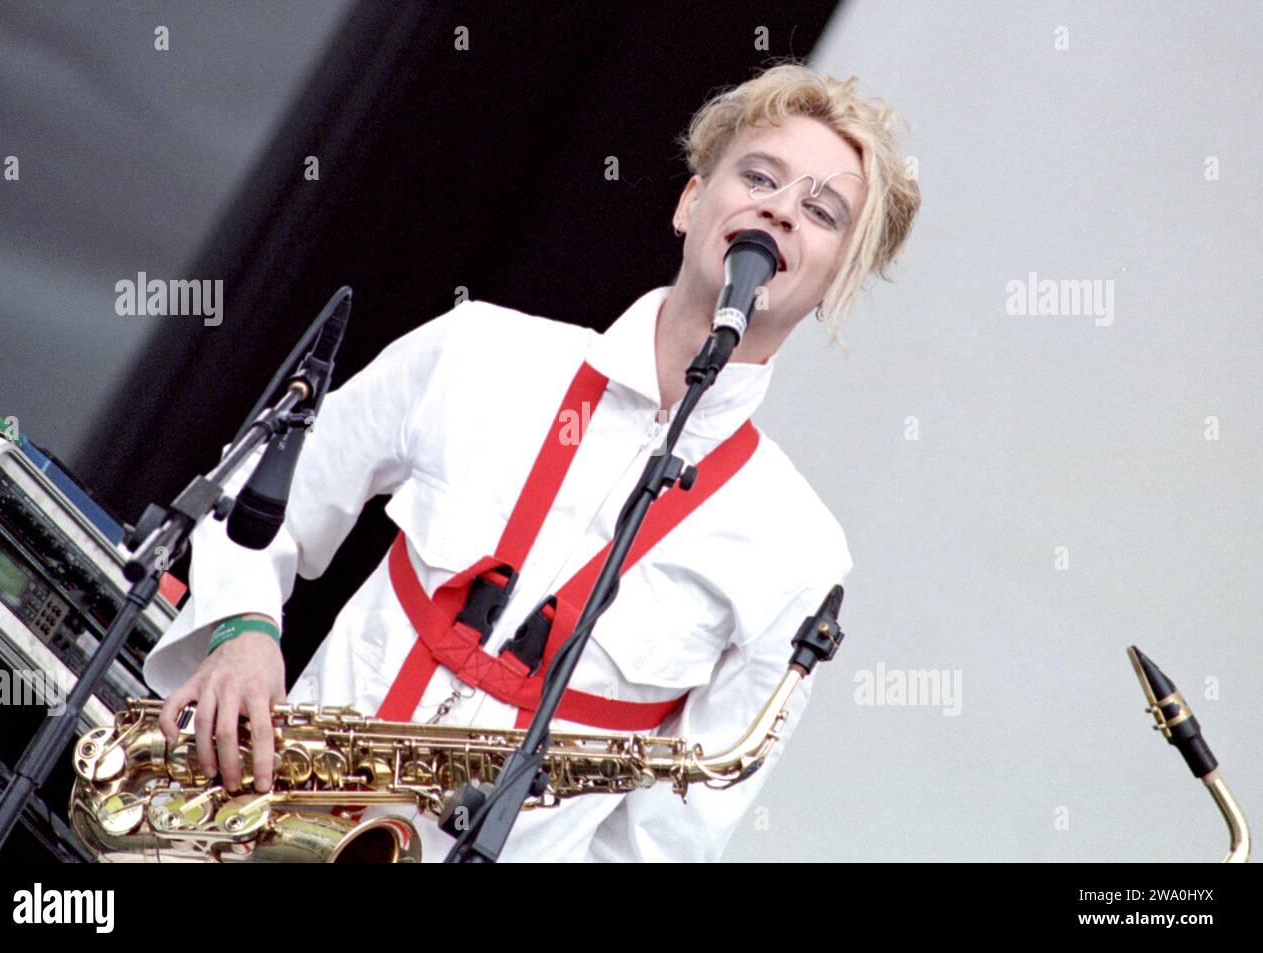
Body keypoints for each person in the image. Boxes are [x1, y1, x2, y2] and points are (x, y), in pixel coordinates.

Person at [143, 61, 920, 862]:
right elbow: (256, 502)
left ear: (835, 285)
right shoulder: (477, 347)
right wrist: (240, 633)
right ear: (691, 202)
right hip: (256, 827)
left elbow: (665, 839)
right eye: (760, 174)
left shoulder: (800, 552)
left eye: (822, 211)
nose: (782, 208)